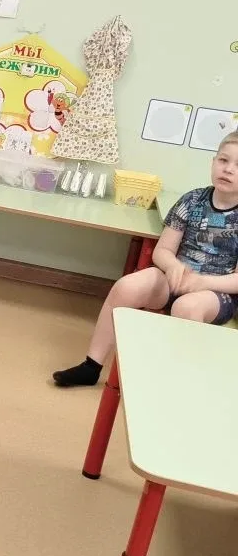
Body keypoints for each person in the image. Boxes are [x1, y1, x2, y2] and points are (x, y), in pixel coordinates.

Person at [53, 132, 238, 388]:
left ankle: (175, 384)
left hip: (216, 293)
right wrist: (173, 266)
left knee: (186, 307)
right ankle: (91, 367)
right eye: (224, 160)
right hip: (173, 279)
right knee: (126, 287)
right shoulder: (192, 200)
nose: (228, 169)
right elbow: (163, 250)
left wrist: (201, 282)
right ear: (213, 162)